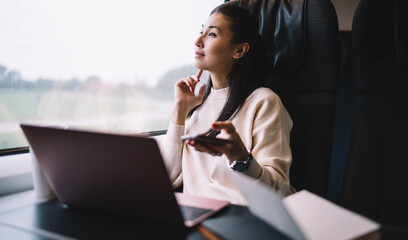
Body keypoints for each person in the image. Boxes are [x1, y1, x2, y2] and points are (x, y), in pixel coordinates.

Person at [161, 1, 294, 205]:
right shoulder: (194, 106)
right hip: (199, 216)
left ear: (239, 50)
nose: (198, 41)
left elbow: (276, 190)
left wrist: (240, 157)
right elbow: (167, 179)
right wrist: (179, 110)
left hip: (242, 218)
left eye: (212, 34)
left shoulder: (264, 102)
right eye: (201, 31)